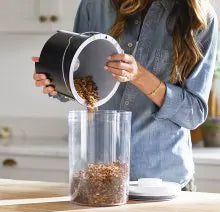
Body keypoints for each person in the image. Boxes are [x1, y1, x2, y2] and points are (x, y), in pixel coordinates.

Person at [32, 0, 218, 191]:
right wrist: (56, 80)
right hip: (101, 177)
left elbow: (194, 113)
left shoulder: (199, 17)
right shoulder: (94, 5)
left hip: (163, 183)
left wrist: (140, 76)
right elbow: (77, 72)